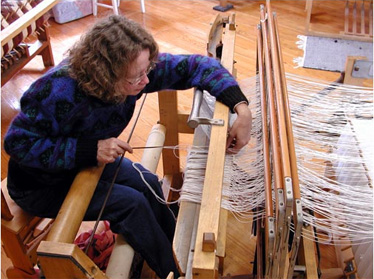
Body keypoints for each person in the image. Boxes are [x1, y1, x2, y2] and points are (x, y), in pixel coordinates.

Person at [4, 15, 252, 278]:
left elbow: (197, 65)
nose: (147, 81)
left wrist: (241, 108)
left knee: (146, 181)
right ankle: (177, 271)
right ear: (105, 77)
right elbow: (17, 144)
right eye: (137, 78)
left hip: (86, 163)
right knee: (132, 204)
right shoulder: (56, 91)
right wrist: (90, 150)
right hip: (39, 184)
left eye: (148, 70)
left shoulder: (135, 69)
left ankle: (180, 243)